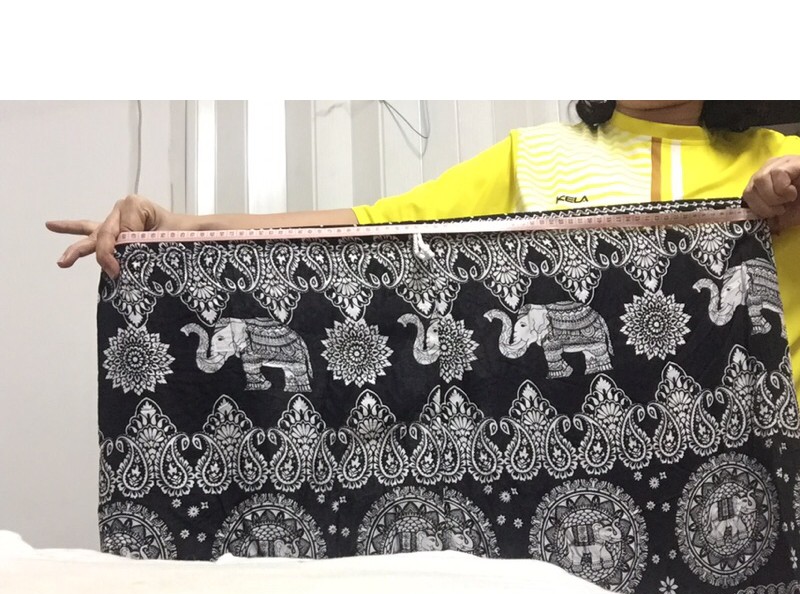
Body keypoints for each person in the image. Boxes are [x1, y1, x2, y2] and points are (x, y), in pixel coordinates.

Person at [48, 100, 800, 384]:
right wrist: (175, 227)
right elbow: (374, 226)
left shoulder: (782, 159)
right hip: (573, 466)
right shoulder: (536, 155)